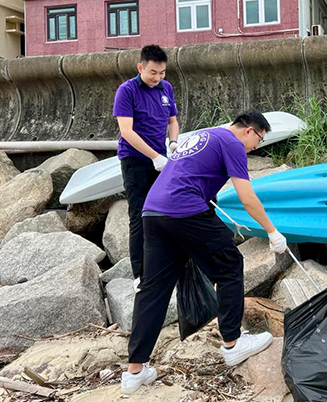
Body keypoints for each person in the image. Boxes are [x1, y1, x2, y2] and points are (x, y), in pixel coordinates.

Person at [121, 110, 288, 395]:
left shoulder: (203, 135)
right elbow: (246, 195)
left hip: (153, 212)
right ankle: (233, 343)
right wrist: (272, 231)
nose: (256, 147)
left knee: (153, 289)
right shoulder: (233, 143)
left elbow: (190, 175)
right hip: (183, 210)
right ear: (248, 130)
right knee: (229, 265)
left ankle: (134, 372)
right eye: (258, 139)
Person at [113, 44, 180, 284]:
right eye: (153, 72)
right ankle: (140, 275)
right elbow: (126, 131)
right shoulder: (126, 90)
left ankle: (162, 263)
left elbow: (173, 121)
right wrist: (154, 156)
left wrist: (172, 143)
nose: (157, 77)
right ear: (140, 67)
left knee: (162, 212)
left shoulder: (166, 88)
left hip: (160, 159)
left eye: (162, 72)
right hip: (135, 160)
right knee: (140, 215)